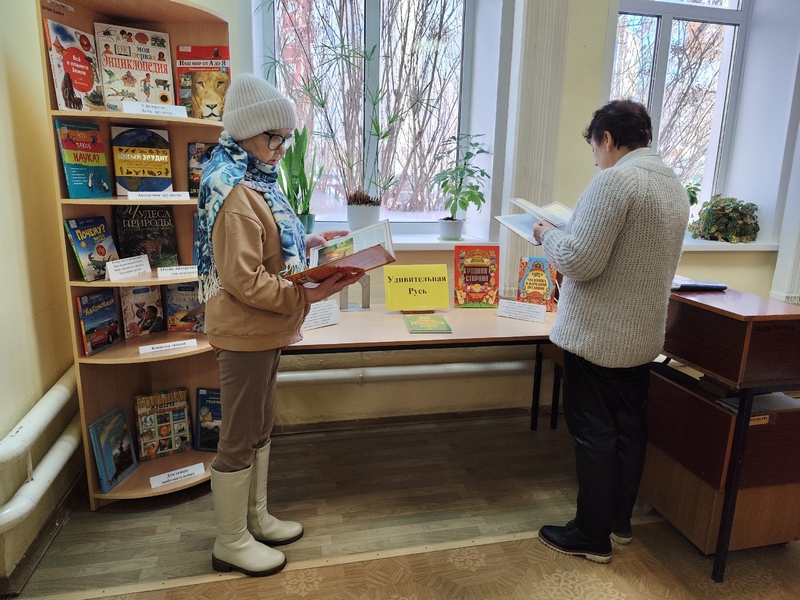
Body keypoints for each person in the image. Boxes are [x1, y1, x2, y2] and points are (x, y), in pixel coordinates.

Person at [197, 73, 362, 578]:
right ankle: (230, 541)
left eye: (286, 138)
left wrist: (309, 244)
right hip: (245, 331)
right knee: (239, 433)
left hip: (261, 329)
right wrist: (307, 293)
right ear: (247, 131)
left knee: (260, 424)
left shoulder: (253, 177)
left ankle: (255, 519)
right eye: (275, 138)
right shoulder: (234, 191)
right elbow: (243, 278)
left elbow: (264, 245)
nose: (282, 148)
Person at [533, 99, 689, 563]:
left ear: (606, 138)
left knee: (594, 433)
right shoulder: (672, 184)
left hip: (598, 336)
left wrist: (545, 235)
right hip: (640, 336)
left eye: (594, 150)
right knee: (628, 429)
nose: (596, 160)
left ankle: (590, 534)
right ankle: (619, 522)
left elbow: (579, 261)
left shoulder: (615, 181)